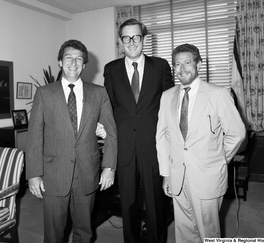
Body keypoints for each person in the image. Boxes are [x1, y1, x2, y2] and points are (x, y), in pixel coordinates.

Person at [26, 39, 117, 243]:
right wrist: (33, 174)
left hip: (87, 173)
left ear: (84, 64)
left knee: (84, 231)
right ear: (60, 62)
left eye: (79, 59)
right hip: (53, 175)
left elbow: (111, 133)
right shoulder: (44, 94)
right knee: (54, 233)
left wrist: (109, 167)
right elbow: (34, 138)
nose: (73, 63)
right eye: (68, 58)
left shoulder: (99, 93)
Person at [156, 43, 246, 242]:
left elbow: (237, 133)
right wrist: (166, 174)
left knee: (209, 232)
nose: (181, 69)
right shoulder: (167, 96)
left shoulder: (218, 94)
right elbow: (161, 137)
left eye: (187, 63)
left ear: (198, 64)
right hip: (178, 176)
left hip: (207, 177)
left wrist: (218, 159)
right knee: (184, 230)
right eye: (177, 64)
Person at [104, 18, 174, 243]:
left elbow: (170, 104)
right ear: (120, 41)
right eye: (126, 38)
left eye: (136, 37)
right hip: (124, 146)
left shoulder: (160, 66)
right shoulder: (111, 69)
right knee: (128, 203)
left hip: (152, 145)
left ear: (144, 39)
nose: (132, 42)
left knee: (155, 203)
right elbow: (110, 107)